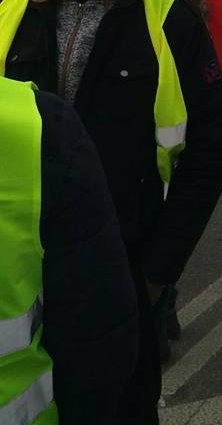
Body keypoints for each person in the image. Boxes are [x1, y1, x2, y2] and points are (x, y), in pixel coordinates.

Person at [0, 0, 222, 425]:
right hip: (23, 274)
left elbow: (212, 149)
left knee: (124, 406)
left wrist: (158, 273)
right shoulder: (9, 12)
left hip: (129, 269)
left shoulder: (171, 14)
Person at [0, 74, 138, 423]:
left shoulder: (39, 128)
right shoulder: (37, 125)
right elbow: (98, 352)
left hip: (119, 215)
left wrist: (160, 269)